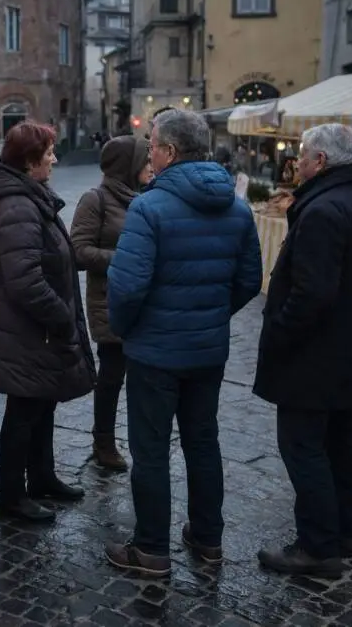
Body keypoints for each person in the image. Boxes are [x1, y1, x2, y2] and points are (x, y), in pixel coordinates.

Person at [104, 109, 262, 576]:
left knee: (150, 451)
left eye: (152, 145)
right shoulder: (237, 207)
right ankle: (208, 539)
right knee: (203, 442)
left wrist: (128, 328)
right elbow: (249, 280)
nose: (148, 154)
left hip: (155, 351)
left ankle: (151, 548)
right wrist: (210, 316)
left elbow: (127, 287)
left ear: (170, 152)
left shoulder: (149, 207)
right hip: (206, 350)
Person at [254, 124, 352, 579]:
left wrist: (279, 334)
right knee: (341, 443)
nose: (298, 162)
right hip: (347, 354)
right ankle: (342, 534)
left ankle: (317, 546)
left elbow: (312, 295)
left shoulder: (324, 210)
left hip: (315, 359)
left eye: (303, 155)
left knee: (305, 449)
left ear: (322, 162)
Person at [0, 120, 97, 523]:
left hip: (33, 330)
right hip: (25, 330)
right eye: (49, 153)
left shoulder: (28, 195)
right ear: (29, 162)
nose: (55, 159)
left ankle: (41, 477)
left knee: (42, 404)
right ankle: (12, 497)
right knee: (23, 411)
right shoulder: (16, 206)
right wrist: (62, 319)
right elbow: (25, 281)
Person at [70, 135, 152, 472]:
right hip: (111, 302)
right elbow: (77, 251)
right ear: (127, 165)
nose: (150, 165)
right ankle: (103, 440)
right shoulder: (96, 200)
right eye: (143, 159)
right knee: (112, 376)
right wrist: (124, 259)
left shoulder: (150, 197)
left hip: (146, 303)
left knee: (145, 378)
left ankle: (142, 440)